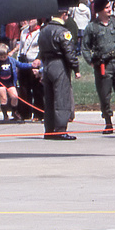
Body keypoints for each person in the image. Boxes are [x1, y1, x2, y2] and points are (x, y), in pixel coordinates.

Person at [83, 0, 115, 132]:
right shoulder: (91, 27)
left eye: (109, 6)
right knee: (104, 95)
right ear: (99, 11)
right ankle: (108, 122)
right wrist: (92, 62)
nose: (109, 9)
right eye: (106, 7)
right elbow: (85, 47)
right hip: (102, 67)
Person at [37, 7, 80, 140]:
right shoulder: (63, 31)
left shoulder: (43, 31)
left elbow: (41, 50)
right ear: (64, 14)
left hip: (47, 64)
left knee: (49, 99)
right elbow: (69, 52)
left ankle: (49, 129)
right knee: (62, 96)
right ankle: (60, 129)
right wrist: (76, 68)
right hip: (59, 64)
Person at [0, 44, 26, 122]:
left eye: (5, 56)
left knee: (14, 96)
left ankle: (14, 112)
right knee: (4, 98)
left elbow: (21, 65)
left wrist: (32, 65)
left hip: (10, 81)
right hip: (0, 82)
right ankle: (5, 115)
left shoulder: (11, 60)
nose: (3, 58)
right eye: (1, 57)